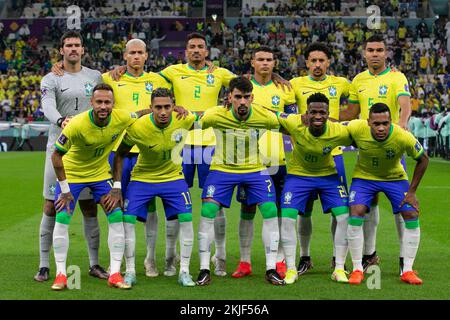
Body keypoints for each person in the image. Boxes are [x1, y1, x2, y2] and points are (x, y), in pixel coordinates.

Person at [50, 83, 144, 290]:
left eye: (107, 102)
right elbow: (56, 155)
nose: (103, 106)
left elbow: (141, 113)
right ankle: (61, 274)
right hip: (73, 174)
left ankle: (115, 274)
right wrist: (65, 190)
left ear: (113, 103)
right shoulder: (77, 124)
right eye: (99, 102)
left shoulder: (121, 117)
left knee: (116, 215)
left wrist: (174, 109)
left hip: (101, 174)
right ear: (91, 102)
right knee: (63, 216)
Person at [196, 76, 284, 286]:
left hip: (255, 169)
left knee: (270, 210)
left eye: (246, 97)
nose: (242, 102)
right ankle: (204, 268)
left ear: (252, 98)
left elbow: (290, 124)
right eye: (238, 97)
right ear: (229, 98)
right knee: (208, 211)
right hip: (222, 169)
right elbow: (191, 122)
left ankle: (271, 268)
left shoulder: (266, 117)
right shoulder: (215, 115)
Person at [36, 31, 107, 282]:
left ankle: (95, 264)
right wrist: (60, 120)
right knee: (51, 205)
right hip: (58, 149)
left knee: (89, 207)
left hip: (87, 153)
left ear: (83, 49)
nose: (73, 49)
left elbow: (110, 90)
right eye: (69, 45)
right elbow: (47, 106)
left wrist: (119, 70)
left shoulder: (95, 76)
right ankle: (44, 265)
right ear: (61, 50)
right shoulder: (50, 78)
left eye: (77, 45)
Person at [340, 34, 412, 273]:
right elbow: (350, 112)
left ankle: (405, 260)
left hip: (390, 147)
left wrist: (401, 128)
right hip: (366, 148)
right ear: (364, 53)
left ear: (386, 52)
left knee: (402, 204)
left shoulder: (396, 77)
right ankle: (370, 254)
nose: (374, 54)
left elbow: (405, 105)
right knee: (368, 201)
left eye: (379, 50)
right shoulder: (358, 80)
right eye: (370, 50)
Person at [113, 88, 196, 287]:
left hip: (173, 177)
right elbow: (120, 154)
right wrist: (117, 186)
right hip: (142, 178)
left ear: (173, 106)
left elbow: (205, 116)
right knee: (128, 219)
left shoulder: (184, 119)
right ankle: (131, 270)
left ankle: (184, 271)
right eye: (158, 107)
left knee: (186, 218)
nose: (163, 112)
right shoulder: (137, 128)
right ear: (150, 108)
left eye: (167, 107)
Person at [232, 46, 297, 279]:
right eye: (260, 59)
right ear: (252, 62)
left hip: (276, 159)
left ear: (275, 63)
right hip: (249, 162)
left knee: (277, 211)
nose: (265, 63)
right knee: (247, 209)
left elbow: (292, 122)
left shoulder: (285, 90)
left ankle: (279, 260)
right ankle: (245, 261)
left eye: (269, 59)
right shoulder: (242, 89)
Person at [346, 103, 429, 285]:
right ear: (368, 122)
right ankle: (357, 269)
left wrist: (412, 192)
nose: (381, 127)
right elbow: (334, 128)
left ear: (391, 121)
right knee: (355, 212)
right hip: (364, 177)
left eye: (385, 123)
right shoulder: (356, 127)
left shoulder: (402, 136)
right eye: (376, 124)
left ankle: (407, 270)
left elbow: (423, 159)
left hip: (395, 178)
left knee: (411, 213)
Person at [276, 93, 352, 284]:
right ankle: (291, 269)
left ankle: (340, 268)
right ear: (306, 113)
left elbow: (362, 133)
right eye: (313, 112)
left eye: (322, 112)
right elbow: (269, 115)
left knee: (344, 217)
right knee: (287, 218)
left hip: (328, 176)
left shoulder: (338, 131)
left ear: (328, 114)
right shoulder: (294, 123)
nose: (317, 116)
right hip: (298, 176)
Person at [289, 42, 351, 275]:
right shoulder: (294, 84)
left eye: (321, 60)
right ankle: (305, 256)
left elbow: (356, 105)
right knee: (304, 211)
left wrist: (338, 122)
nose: (317, 65)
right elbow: (283, 109)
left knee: (339, 210)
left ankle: (338, 258)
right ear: (306, 63)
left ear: (328, 63)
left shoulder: (341, 83)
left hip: (334, 156)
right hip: (304, 158)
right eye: (313, 60)